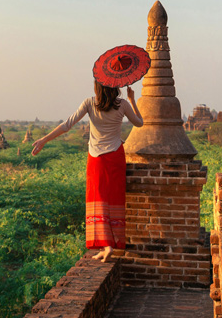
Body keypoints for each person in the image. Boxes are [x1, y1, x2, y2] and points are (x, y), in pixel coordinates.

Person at [31, 81, 143, 262]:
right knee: (113, 197)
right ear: (115, 86)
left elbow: (67, 125)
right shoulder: (122, 104)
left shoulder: (90, 103)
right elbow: (139, 123)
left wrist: (44, 139)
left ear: (97, 87)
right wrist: (132, 99)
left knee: (97, 198)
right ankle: (110, 243)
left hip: (96, 157)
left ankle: (105, 245)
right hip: (115, 156)